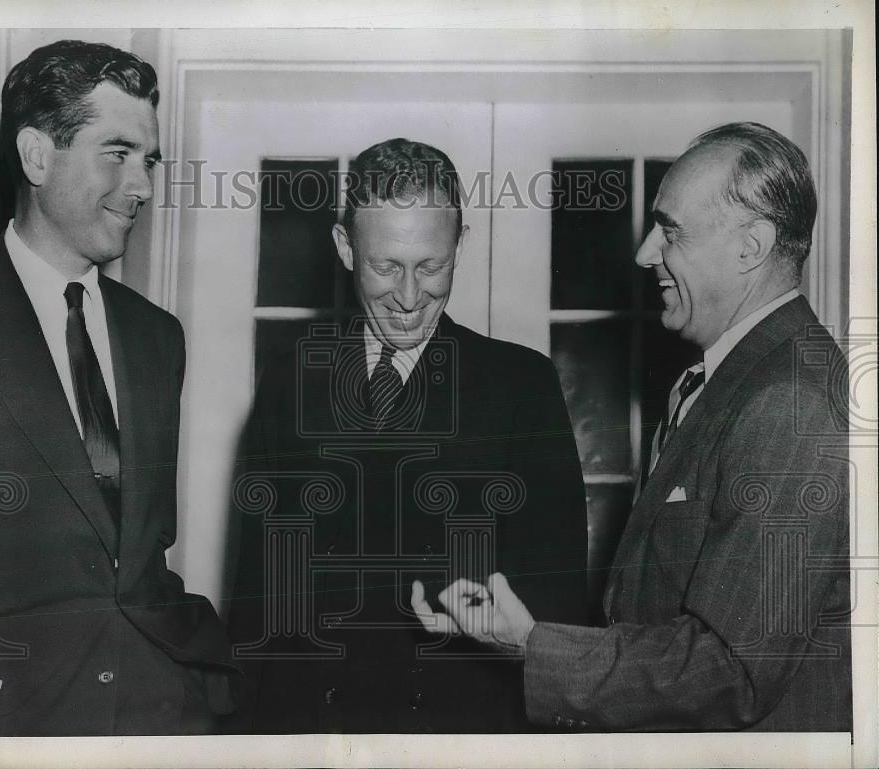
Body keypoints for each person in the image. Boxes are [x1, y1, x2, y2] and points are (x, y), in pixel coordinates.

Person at [413, 122, 851, 732]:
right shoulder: (729, 379)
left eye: (670, 230)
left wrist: (532, 646)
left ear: (752, 247)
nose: (646, 253)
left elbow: (733, 671)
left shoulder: (790, 405)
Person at [0, 40, 239, 735]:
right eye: (117, 153)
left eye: (147, 160)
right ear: (37, 156)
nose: (144, 185)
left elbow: (144, 548)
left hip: (158, 715)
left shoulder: (159, 338)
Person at [224, 138, 588, 733]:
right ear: (345, 248)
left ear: (460, 246)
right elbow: (255, 590)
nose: (410, 297)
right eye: (386, 266)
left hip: (457, 730)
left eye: (431, 266)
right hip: (310, 726)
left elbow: (558, 597)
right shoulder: (291, 379)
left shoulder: (522, 383)